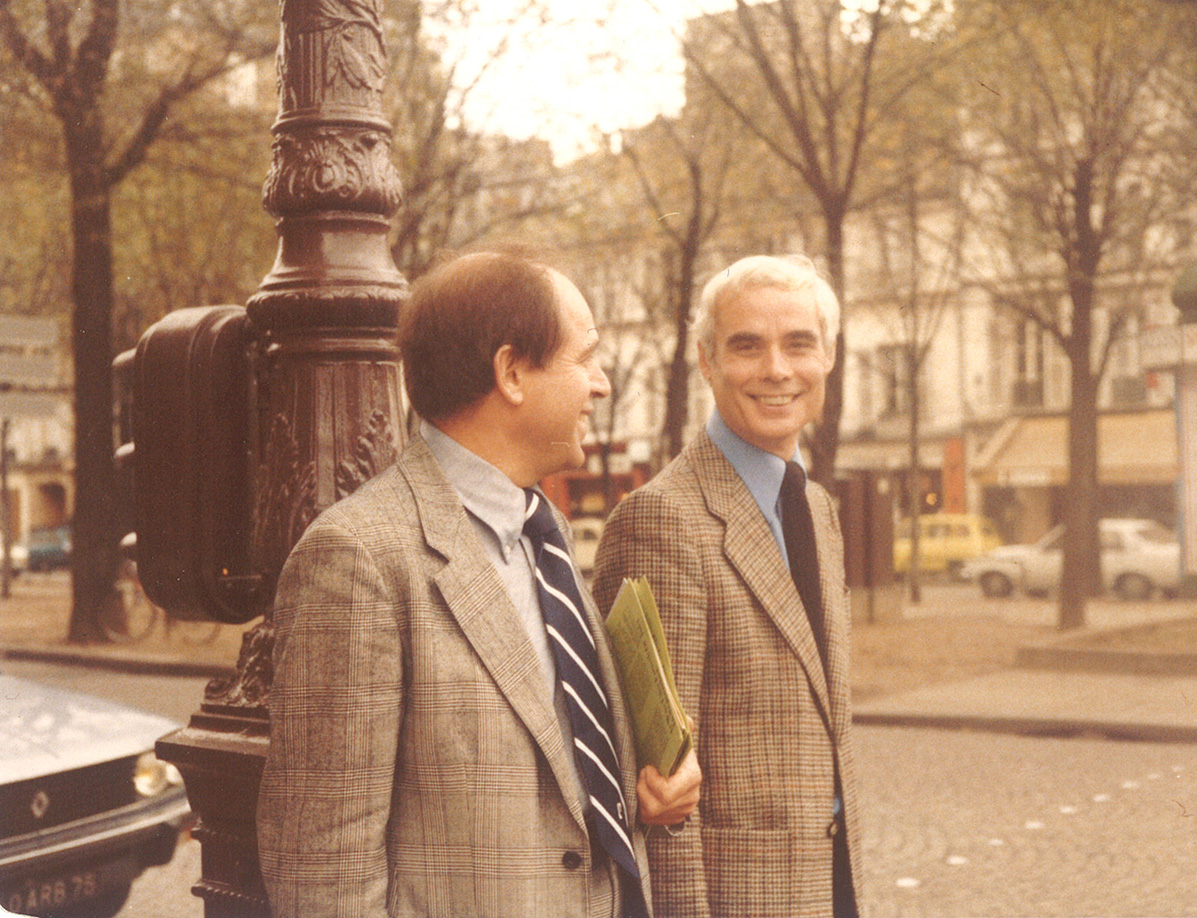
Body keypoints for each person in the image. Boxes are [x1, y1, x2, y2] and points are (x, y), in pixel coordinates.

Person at [258, 250, 701, 918]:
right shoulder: (357, 558)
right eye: (585, 359)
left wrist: (650, 793)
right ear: (511, 372)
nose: (601, 384)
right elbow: (322, 870)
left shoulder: (541, 526)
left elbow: (557, 764)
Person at [593, 254, 862, 918]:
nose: (776, 369)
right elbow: (661, 782)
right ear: (706, 363)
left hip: (833, 883)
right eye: (747, 346)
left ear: (827, 355)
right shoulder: (662, 518)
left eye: (798, 344)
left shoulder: (818, 509)